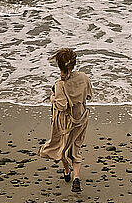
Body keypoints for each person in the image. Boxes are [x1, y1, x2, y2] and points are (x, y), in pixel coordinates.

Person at [38, 48, 92, 193]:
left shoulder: (59, 85)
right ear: (74, 64)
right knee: (76, 147)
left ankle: (67, 171)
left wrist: (52, 97)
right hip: (81, 116)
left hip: (65, 121)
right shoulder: (83, 77)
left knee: (62, 145)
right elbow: (88, 95)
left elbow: (62, 105)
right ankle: (76, 177)